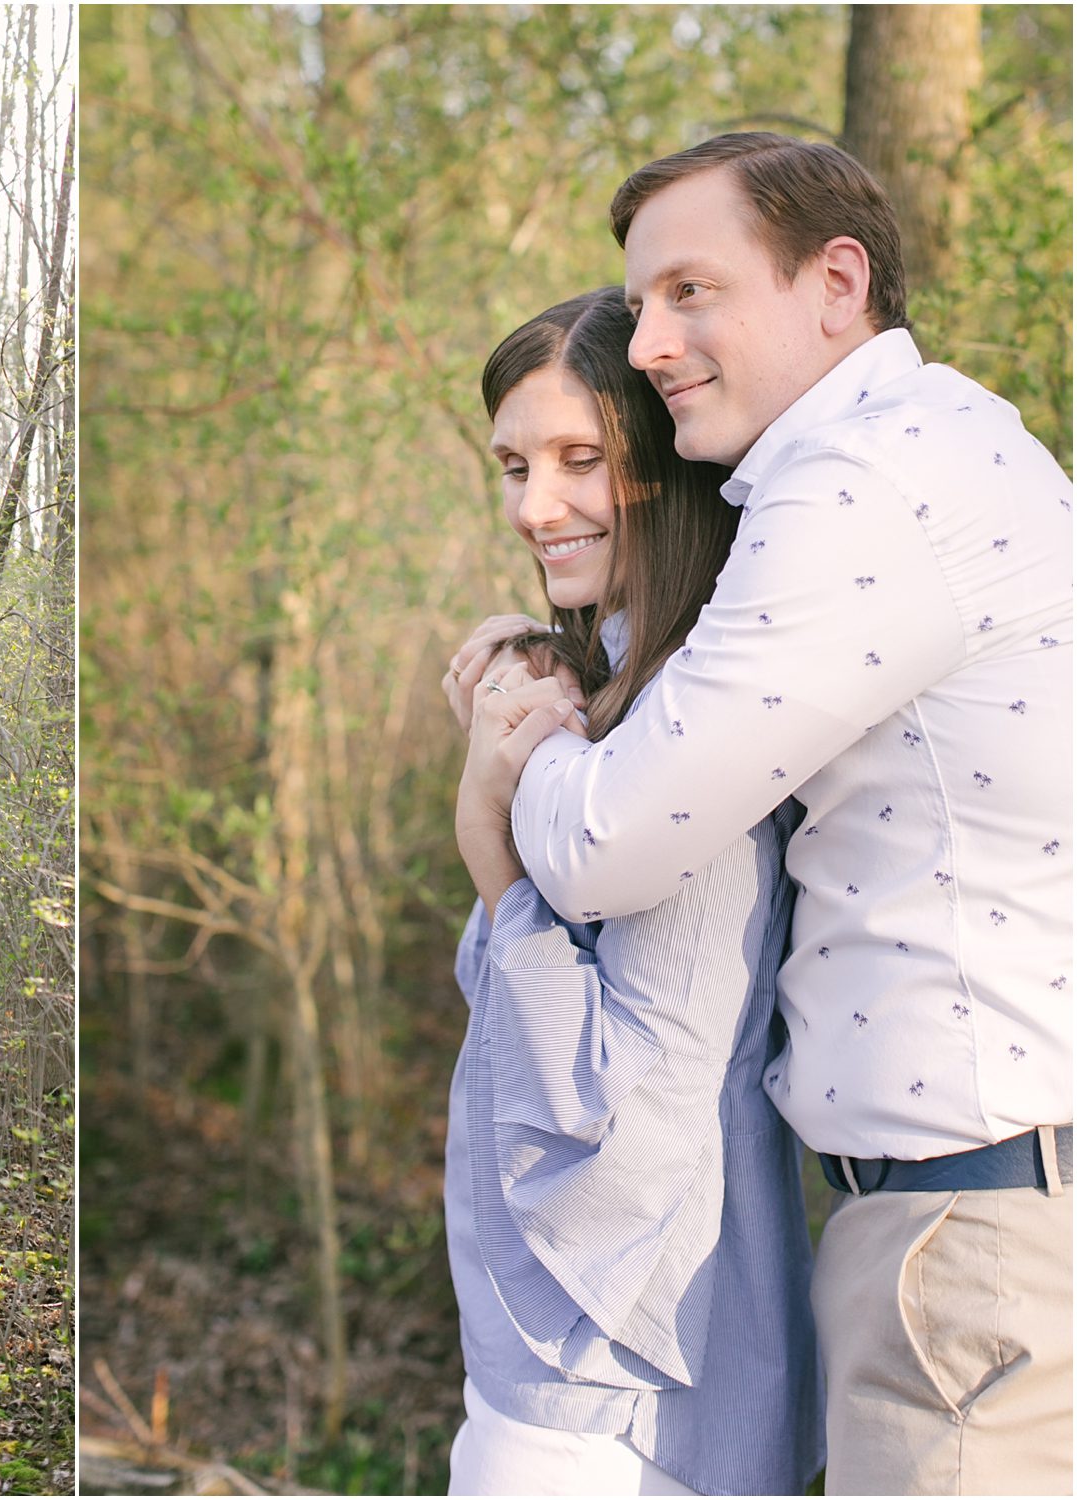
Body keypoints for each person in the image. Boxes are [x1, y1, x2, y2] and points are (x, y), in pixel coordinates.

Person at [459, 134, 1072, 1494]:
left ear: (834, 281)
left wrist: (512, 738)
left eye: (690, 290)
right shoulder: (947, 439)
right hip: (956, 1224)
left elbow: (607, 849)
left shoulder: (861, 484)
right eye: (643, 301)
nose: (652, 338)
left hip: (963, 1239)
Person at [442, 288, 821, 1496]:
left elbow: (611, 1099)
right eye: (513, 467)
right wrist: (543, 674)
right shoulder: (617, 701)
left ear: (663, 469)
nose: (530, 507)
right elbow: (506, 1004)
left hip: (611, 1380)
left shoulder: (680, 746)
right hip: (560, 1361)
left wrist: (487, 842)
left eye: (577, 460)